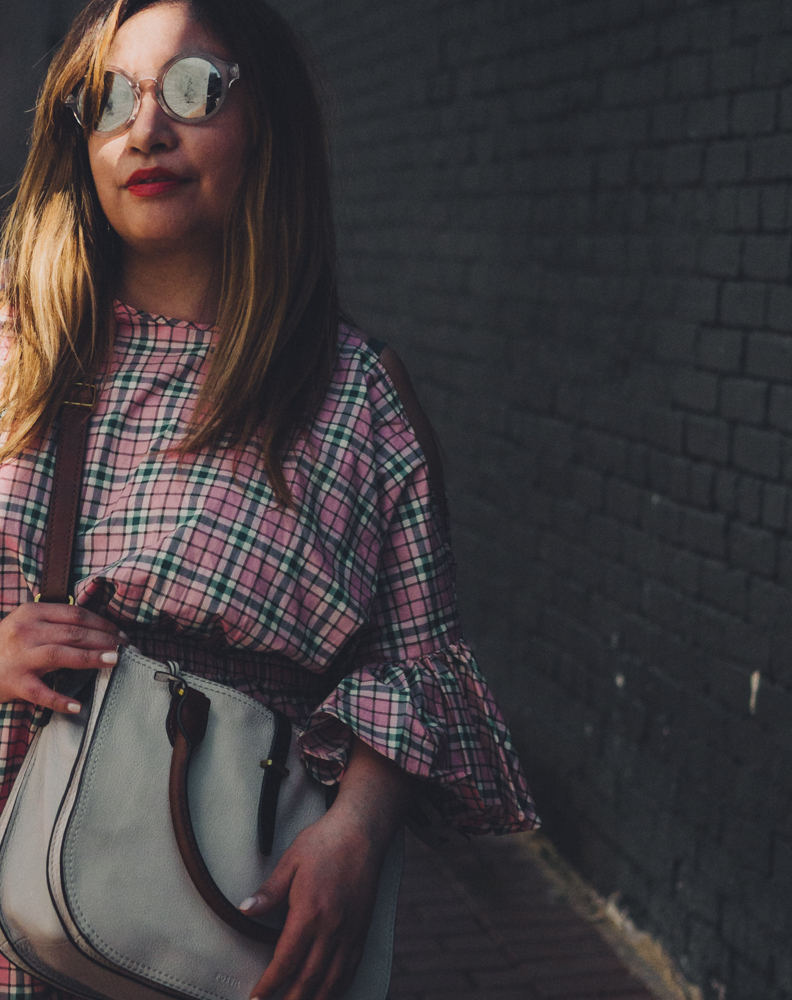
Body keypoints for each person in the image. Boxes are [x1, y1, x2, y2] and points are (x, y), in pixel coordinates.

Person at [0, 1, 538, 999]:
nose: (146, 128)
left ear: (267, 125)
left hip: (226, 928)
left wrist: (358, 830)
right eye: (109, 98)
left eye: (194, 89)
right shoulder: (16, 357)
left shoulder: (355, 401)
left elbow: (415, 664)